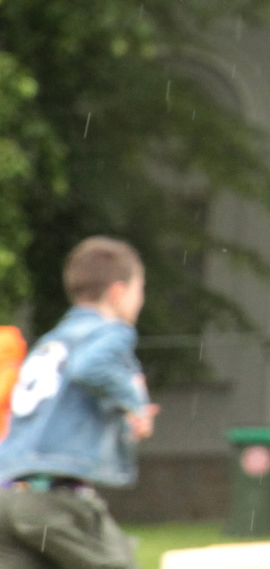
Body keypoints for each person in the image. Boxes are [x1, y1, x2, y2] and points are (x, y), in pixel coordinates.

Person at [0, 239, 157, 569]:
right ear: (118, 292)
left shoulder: (52, 340)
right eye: (139, 289)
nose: (140, 301)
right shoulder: (111, 331)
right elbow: (90, 367)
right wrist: (133, 402)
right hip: (53, 497)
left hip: (7, 495)